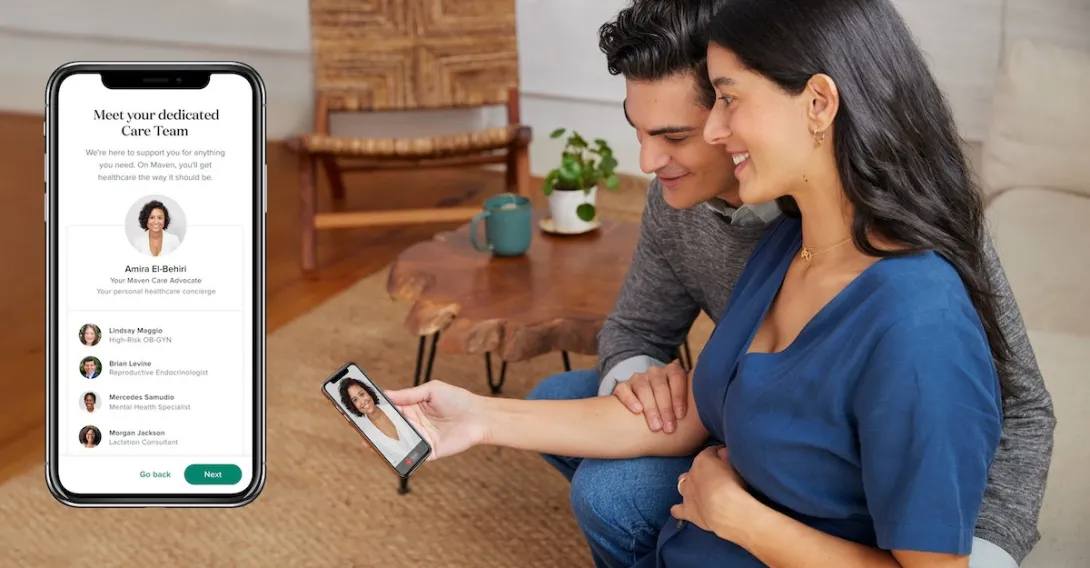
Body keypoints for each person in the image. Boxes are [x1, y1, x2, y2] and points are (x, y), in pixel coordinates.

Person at [381, 0, 1055, 567]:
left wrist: (738, 515)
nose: (708, 131)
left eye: (726, 102)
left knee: (611, 495)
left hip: (793, 517)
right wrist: (477, 416)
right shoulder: (790, 247)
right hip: (720, 510)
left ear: (818, 103)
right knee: (565, 401)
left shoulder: (917, 305)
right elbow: (678, 395)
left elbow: (1015, 413)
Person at [339, 377, 419, 464]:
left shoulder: (395, 408)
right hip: (406, 466)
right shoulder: (368, 433)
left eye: (362, 394)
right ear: (353, 406)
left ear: (368, 392)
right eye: (355, 400)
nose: (362, 401)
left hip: (424, 449)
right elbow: (392, 460)